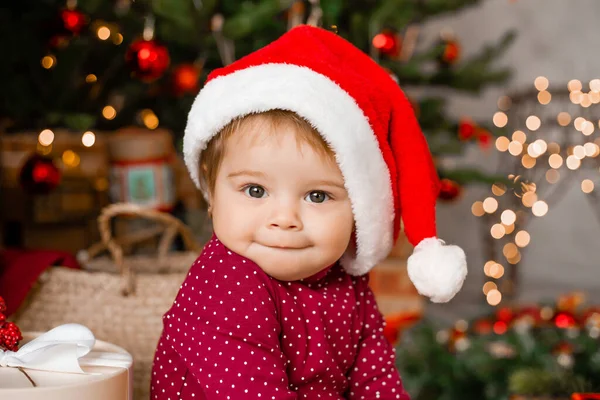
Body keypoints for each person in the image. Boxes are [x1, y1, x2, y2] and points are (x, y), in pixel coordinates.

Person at [151, 25, 467, 399]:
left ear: (358, 209)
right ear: (212, 191)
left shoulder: (347, 286)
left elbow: (376, 381)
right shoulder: (225, 285)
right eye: (255, 190)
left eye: (317, 196)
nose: (285, 218)